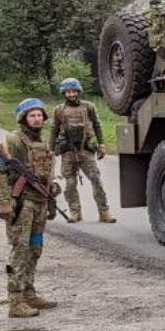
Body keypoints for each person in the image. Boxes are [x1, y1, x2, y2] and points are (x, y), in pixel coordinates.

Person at [0, 98, 60, 318]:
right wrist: (4, 202)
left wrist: (51, 197)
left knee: (34, 249)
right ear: (24, 118)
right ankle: (15, 301)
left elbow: (48, 175)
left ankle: (29, 293)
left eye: (40, 115)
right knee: (19, 251)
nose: (37, 119)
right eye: (32, 115)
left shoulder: (45, 143)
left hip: (39, 203)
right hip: (22, 205)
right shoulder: (14, 141)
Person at [51, 78, 115, 224]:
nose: (72, 94)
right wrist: (51, 149)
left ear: (79, 92)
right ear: (64, 93)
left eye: (74, 91)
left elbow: (97, 126)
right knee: (70, 183)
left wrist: (102, 145)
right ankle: (75, 212)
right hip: (67, 151)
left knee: (96, 180)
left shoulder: (89, 107)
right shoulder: (59, 110)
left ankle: (104, 212)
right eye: (68, 92)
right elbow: (54, 130)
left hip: (86, 149)